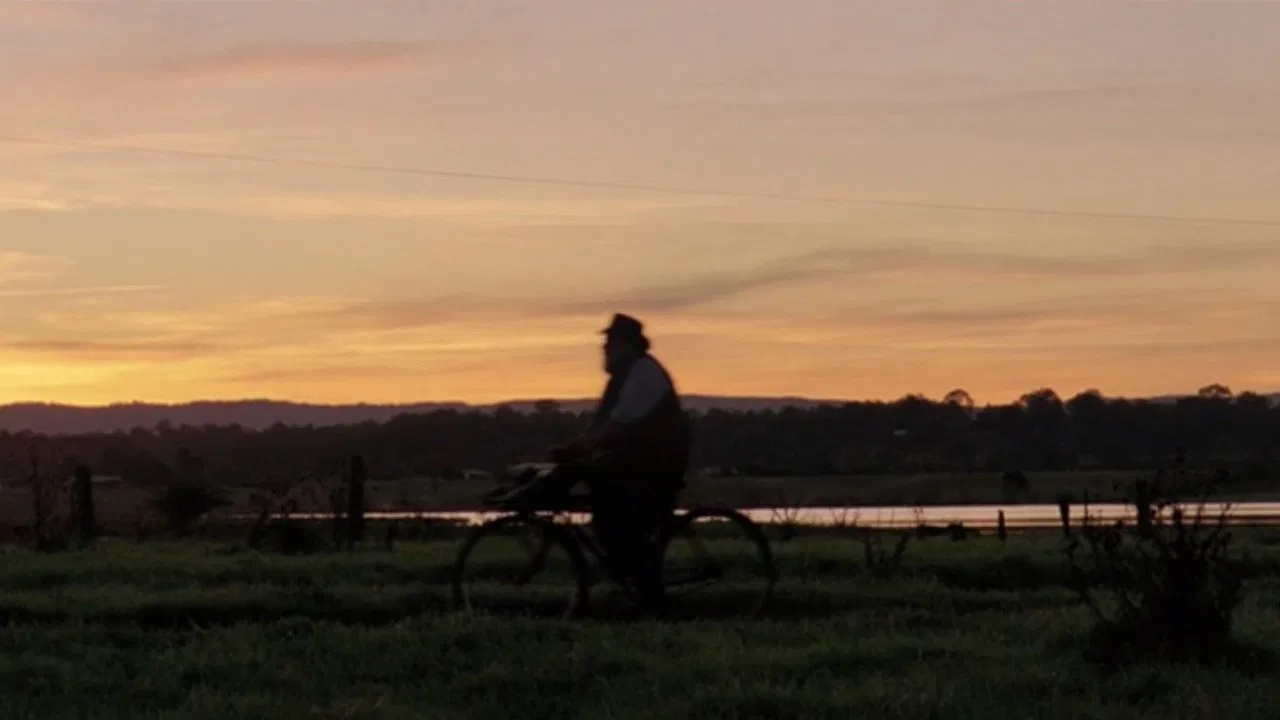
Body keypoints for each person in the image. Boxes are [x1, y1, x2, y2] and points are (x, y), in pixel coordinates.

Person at [546, 313, 693, 609]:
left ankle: (647, 591)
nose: (604, 348)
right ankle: (633, 580)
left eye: (610, 342)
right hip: (636, 461)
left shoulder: (643, 375)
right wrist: (577, 447)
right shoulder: (623, 376)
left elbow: (618, 425)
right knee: (606, 511)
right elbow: (601, 424)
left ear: (626, 345)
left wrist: (583, 446)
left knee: (621, 519)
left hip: (656, 464)